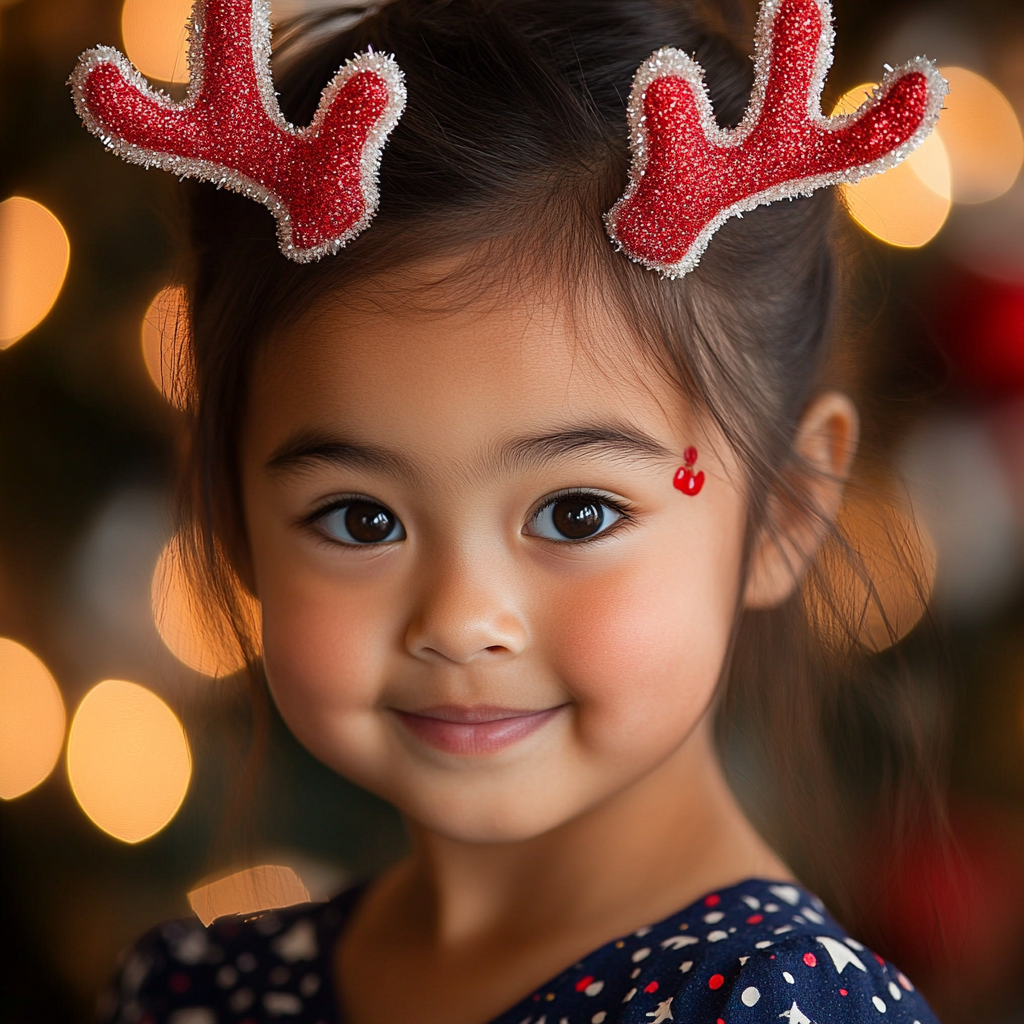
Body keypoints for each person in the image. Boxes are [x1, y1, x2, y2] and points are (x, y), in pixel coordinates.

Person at [80, 0, 948, 1020]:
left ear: (787, 506)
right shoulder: (192, 992)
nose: (458, 618)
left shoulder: (767, 1006)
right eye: (360, 518)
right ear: (231, 515)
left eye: (576, 513)